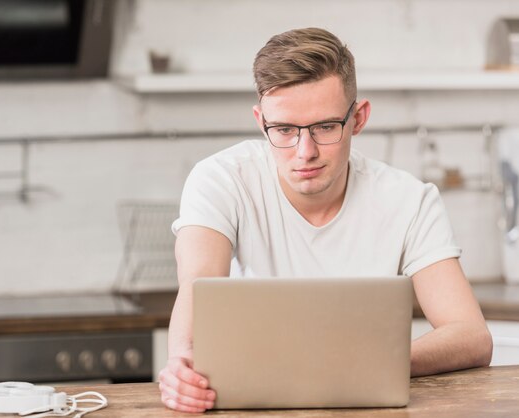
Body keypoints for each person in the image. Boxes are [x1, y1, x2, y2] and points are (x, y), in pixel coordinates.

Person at [157, 27, 492, 413]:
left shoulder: (408, 200)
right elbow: (197, 285)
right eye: (283, 130)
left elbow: (471, 335)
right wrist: (181, 364)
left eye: (325, 127)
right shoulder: (220, 179)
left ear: (359, 118)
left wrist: (367, 367)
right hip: (251, 404)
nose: (305, 152)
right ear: (260, 120)